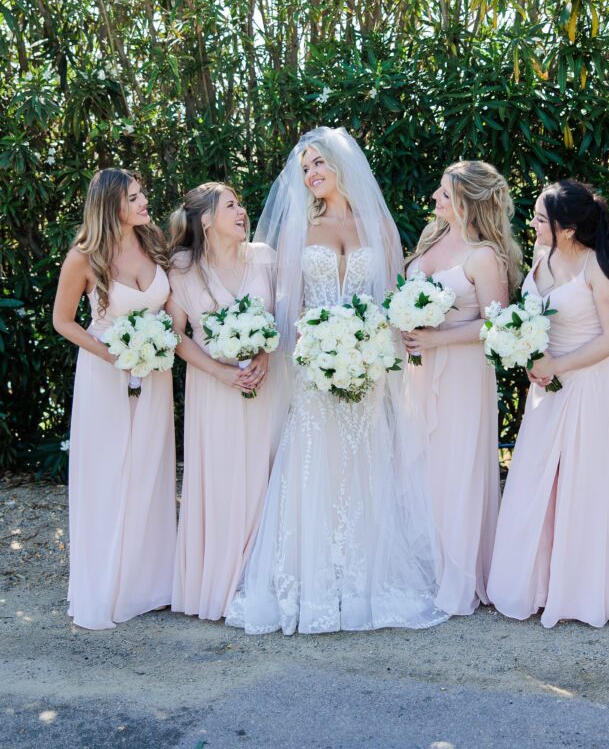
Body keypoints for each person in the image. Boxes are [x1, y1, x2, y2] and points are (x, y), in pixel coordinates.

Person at [227, 127, 447, 635]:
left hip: (367, 362)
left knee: (365, 461)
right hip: (314, 363)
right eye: (305, 168)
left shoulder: (380, 227)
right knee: (314, 461)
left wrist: (370, 345)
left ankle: (364, 582)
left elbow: (392, 300)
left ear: (343, 166)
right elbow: (290, 303)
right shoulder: (300, 227)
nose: (311, 174)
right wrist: (320, 342)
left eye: (319, 163)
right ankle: (312, 581)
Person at [487, 179, 609, 628]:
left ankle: (582, 591)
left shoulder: (599, 267)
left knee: (584, 479)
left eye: (541, 219)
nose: (533, 223)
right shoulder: (542, 257)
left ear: (566, 228)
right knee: (536, 477)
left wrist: (559, 363)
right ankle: (540, 583)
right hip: (548, 383)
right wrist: (527, 354)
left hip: (590, 381)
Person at [52, 168, 176, 630]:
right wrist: (115, 356)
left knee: (150, 470)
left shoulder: (155, 243)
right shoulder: (84, 257)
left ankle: (148, 585)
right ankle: (107, 585)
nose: (145, 202)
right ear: (111, 206)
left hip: (155, 374)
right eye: (135, 197)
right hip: (106, 374)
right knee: (109, 474)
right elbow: (64, 322)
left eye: (143, 194)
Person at [403, 161, 522, 615]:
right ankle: (426, 567)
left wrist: (437, 338)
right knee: (422, 464)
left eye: (445, 194)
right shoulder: (430, 241)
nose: (436, 198)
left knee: (456, 463)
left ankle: (460, 573)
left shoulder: (484, 255)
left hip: (462, 371)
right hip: (418, 371)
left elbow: (497, 324)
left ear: (469, 203)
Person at [166, 183, 276, 621]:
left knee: (264, 474)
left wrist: (265, 356)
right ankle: (217, 583)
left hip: (265, 383)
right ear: (206, 220)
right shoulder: (182, 268)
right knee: (222, 476)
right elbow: (175, 336)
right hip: (213, 387)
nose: (242, 211)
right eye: (231, 205)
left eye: (241, 204)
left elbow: (284, 317)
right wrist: (221, 372)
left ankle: (258, 579)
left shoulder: (264, 257)